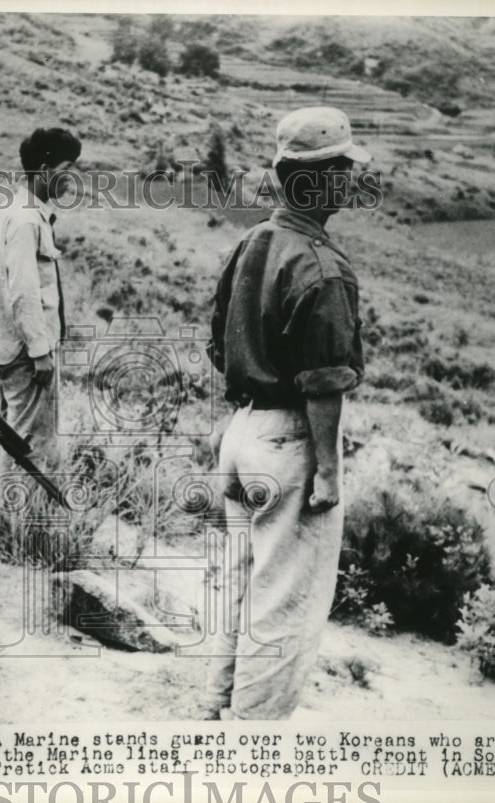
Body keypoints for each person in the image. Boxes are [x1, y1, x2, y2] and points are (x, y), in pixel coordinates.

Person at [203, 107, 369, 720]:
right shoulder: (323, 266)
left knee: (241, 586)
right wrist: (327, 469)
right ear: (324, 180)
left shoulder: (252, 243)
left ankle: (215, 709)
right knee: (285, 603)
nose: (353, 179)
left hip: (241, 431)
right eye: (346, 169)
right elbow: (324, 385)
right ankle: (254, 746)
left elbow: (219, 341)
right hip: (289, 441)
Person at [0, 127, 81, 493]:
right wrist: (40, 350)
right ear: (44, 170)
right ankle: (16, 526)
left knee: (10, 429)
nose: (74, 178)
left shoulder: (20, 210)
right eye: (68, 168)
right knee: (28, 441)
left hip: (10, 346)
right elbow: (23, 291)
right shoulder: (25, 219)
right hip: (24, 352)